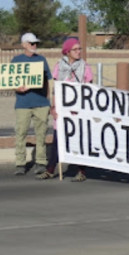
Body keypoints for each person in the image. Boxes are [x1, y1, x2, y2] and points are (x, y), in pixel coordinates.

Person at [36, 38, 93, 182]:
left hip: (78, 110)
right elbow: (56, 89)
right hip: (62, 109)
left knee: (79, 141)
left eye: (80, 49)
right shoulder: (59, 66)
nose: (79, 52)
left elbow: (89, 89)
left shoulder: (85, 67)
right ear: (67, 51)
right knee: (57, 140)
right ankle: (50, 170)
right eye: (75, 49)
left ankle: (81, 171)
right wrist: (53, 107)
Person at [12, 32, 53, 176]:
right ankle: (20, 163)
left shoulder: (41, 60)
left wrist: (48, 101)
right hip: (23, 103)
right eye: (31, 43)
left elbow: (48, 80)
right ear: (24, 45)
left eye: (36, 43)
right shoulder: (16, 60)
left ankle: (41, 162)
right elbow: (11, 81)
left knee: (41, 134)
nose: (34, 46)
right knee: (21, 133)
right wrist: (18, 88)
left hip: (41, 103)